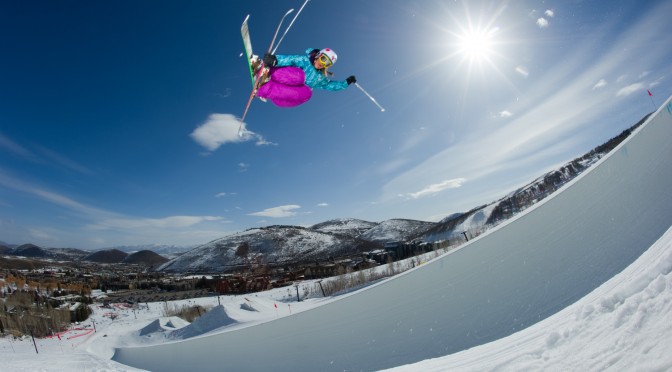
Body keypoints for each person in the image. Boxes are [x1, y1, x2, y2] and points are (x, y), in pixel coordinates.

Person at [252, 48, 356, 107]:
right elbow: (291, 59)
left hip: (281, 93)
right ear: (318, 55)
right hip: (279, 75)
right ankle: (264, 70)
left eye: (327, 64)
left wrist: (346, 82)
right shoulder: (305, 60)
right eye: (323, 59)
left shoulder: (320, 78)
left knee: (307, 93)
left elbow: (330, 85)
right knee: (300, 76)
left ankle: (265, 88)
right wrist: (275, 60)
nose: (322, 64)